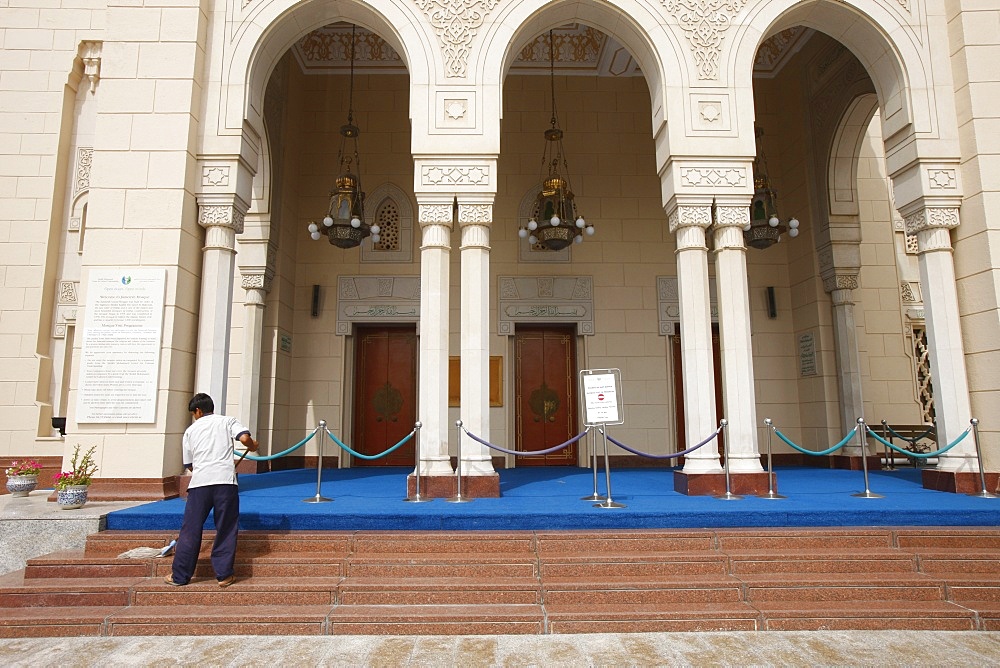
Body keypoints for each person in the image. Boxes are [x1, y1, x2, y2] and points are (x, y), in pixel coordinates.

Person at [165, 393, 258, 587]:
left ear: (198, 411)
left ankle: (180, 576)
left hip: (199, 484)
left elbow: (189, 464)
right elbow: (245, 438)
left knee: (190, 529)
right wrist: (253, 445)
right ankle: (224, 575)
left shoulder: (190, 431)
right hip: (225, 481)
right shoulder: (227, 421)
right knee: (225, 527)